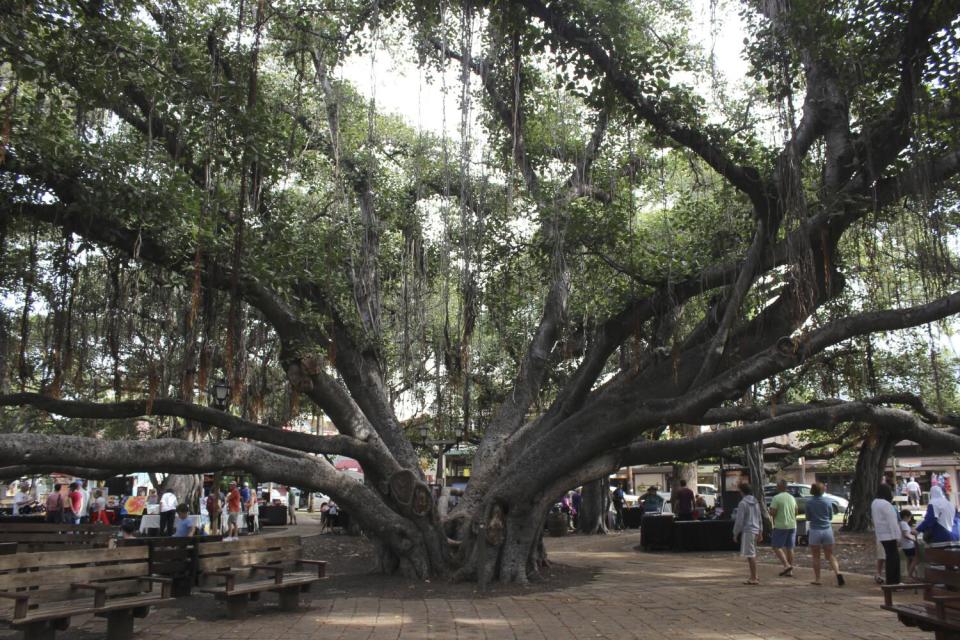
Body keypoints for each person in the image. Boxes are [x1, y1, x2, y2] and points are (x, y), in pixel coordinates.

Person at [806, 482, 844, 586]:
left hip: (815, 530)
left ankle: (818, 579)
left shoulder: (809, 502)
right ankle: (838, 573)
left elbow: (808, 517)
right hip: (827, 530)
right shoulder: (828, 501)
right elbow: (831, 516)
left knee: (816, 556)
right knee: (830, 555)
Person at [732, 482, 763, 585]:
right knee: (752, 553)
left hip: (748, 530)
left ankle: (754, 577)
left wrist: (735, 533)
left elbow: (739, 520)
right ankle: (755, 575)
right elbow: (759, 518)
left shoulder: (742, 503)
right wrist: (761, 531)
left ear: (742, 491)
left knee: (750, 555)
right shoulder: (756, 502)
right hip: (755, 530)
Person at [872, 483, 902, 585]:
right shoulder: (886, 504)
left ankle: (891, 581)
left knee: (890, 557)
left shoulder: (875, 503)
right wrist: (897, 537)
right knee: (894, 559)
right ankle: (894, 582)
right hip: (890, 535)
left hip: (881, 534)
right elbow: (892, 522)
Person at [769, 479, 798, 577]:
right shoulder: (791, 497)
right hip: (792, 525)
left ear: (779, 486)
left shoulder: (776, 498)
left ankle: (786, 565)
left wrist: (770, 511)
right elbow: (796, 511)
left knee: (776, 546)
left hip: (781, 525)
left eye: (777, 485)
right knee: (790, 547)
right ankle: (790, 570)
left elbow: (773, 512)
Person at [899, 509, 919, 580]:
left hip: (905, 545)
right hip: (909, 545)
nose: (910, 519)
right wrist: (914, 539)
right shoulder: (904, 523)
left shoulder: (902, 523)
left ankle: (910, 575)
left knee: (910, 560)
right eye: (909, 517)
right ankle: (909, 575)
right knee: (915, 559)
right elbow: (906, 534)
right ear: (905, 517)